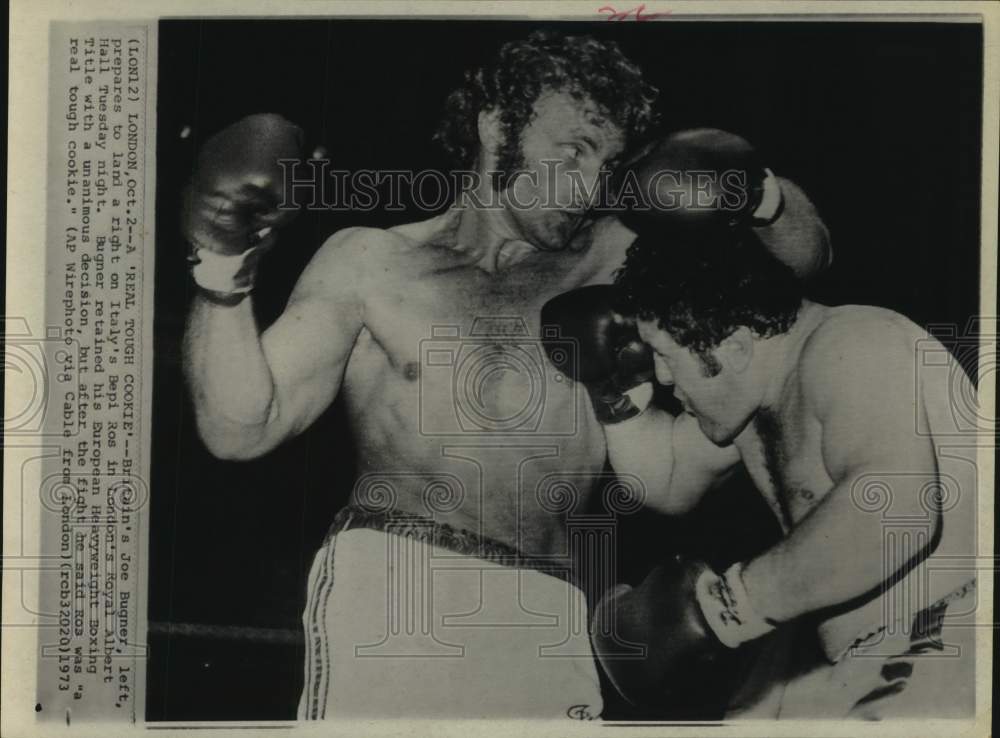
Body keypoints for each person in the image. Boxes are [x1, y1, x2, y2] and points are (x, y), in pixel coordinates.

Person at [180, 31, 831, 719]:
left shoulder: (619, 260)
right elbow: (238, 428)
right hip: (397, 585)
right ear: (495, 127)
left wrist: (755, 192)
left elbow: (799, 263)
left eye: (606, 163)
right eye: (572, 151)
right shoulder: (372, 262)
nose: (588, 186)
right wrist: (223, 267)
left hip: (547, 605)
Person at [543, 228, 978, 719]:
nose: (661, 377)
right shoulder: (754, 401)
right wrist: (614, 390)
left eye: (666, 356)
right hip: (853, 660)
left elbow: (896, 510)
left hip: (940, 637)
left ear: (736, 348)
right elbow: (665, 479)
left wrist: (726, 608)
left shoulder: (856, 342)